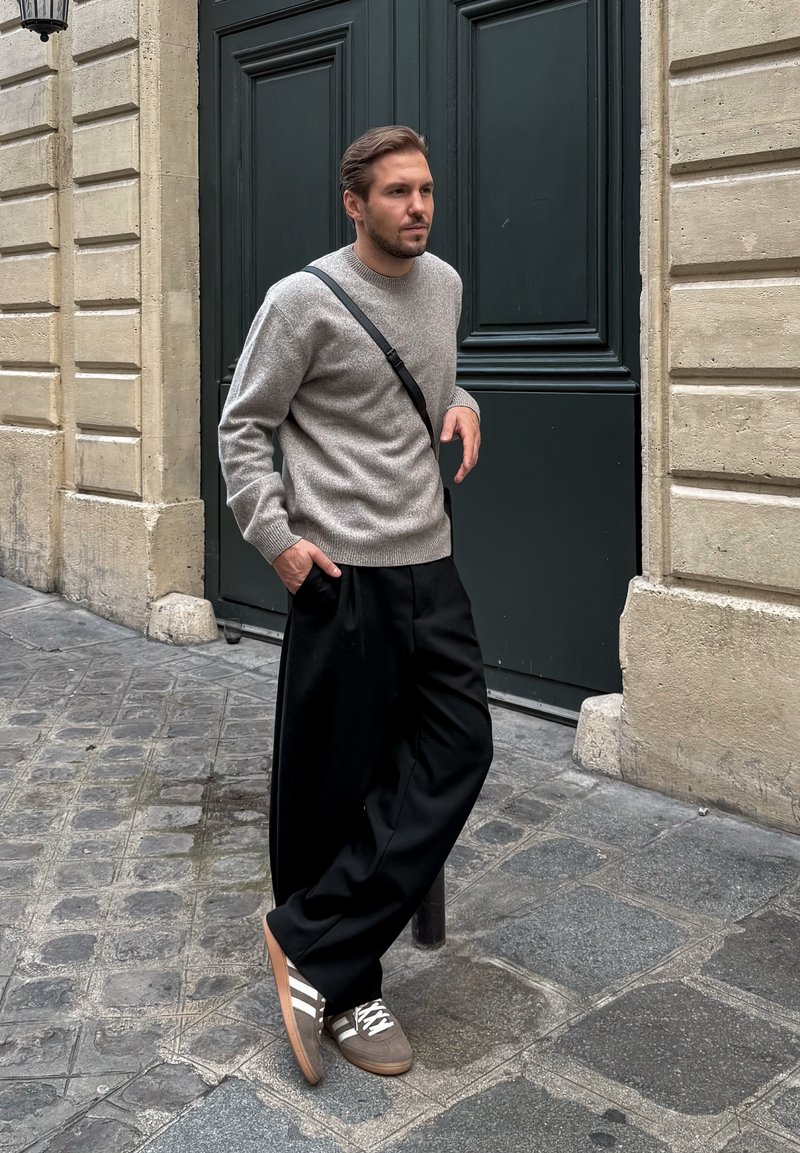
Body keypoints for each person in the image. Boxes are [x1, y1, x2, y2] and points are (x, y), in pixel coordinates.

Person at [218, 125, 493, 1085]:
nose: (418, 207)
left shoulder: (445, 285)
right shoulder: (301, 301)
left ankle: (309, 940)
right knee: (333, 786)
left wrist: (464, 404)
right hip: (339, 573)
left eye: (426, 190)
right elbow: (244, 425)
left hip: (430, 562)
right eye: (397, 193)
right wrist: (277, 541)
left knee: (459, 748)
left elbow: (433, 381)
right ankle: (348, 985)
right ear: (354, 203)